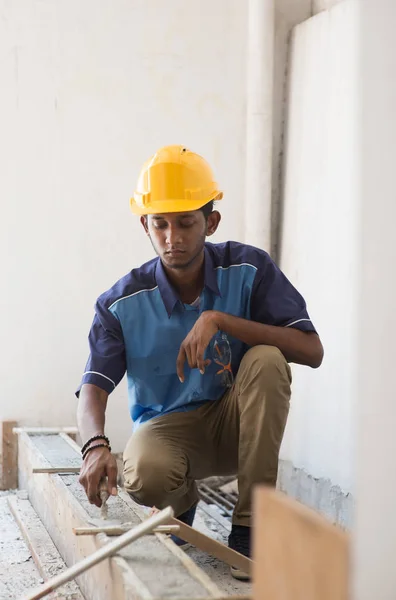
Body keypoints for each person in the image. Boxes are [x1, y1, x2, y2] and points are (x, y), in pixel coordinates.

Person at [76, 145, 323, 580]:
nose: (172, 237)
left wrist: (222, 320)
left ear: (210, 222)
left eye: (186, 222)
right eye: (160, 224)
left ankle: (250, 526)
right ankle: (182, 504)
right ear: (145, 225)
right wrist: (94, 445)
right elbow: (93, 386)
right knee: (145, 475)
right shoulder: (120, 304)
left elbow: (310, 350)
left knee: (267, 360)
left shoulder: (249, 268)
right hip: (171, 431)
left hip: (239, 422)